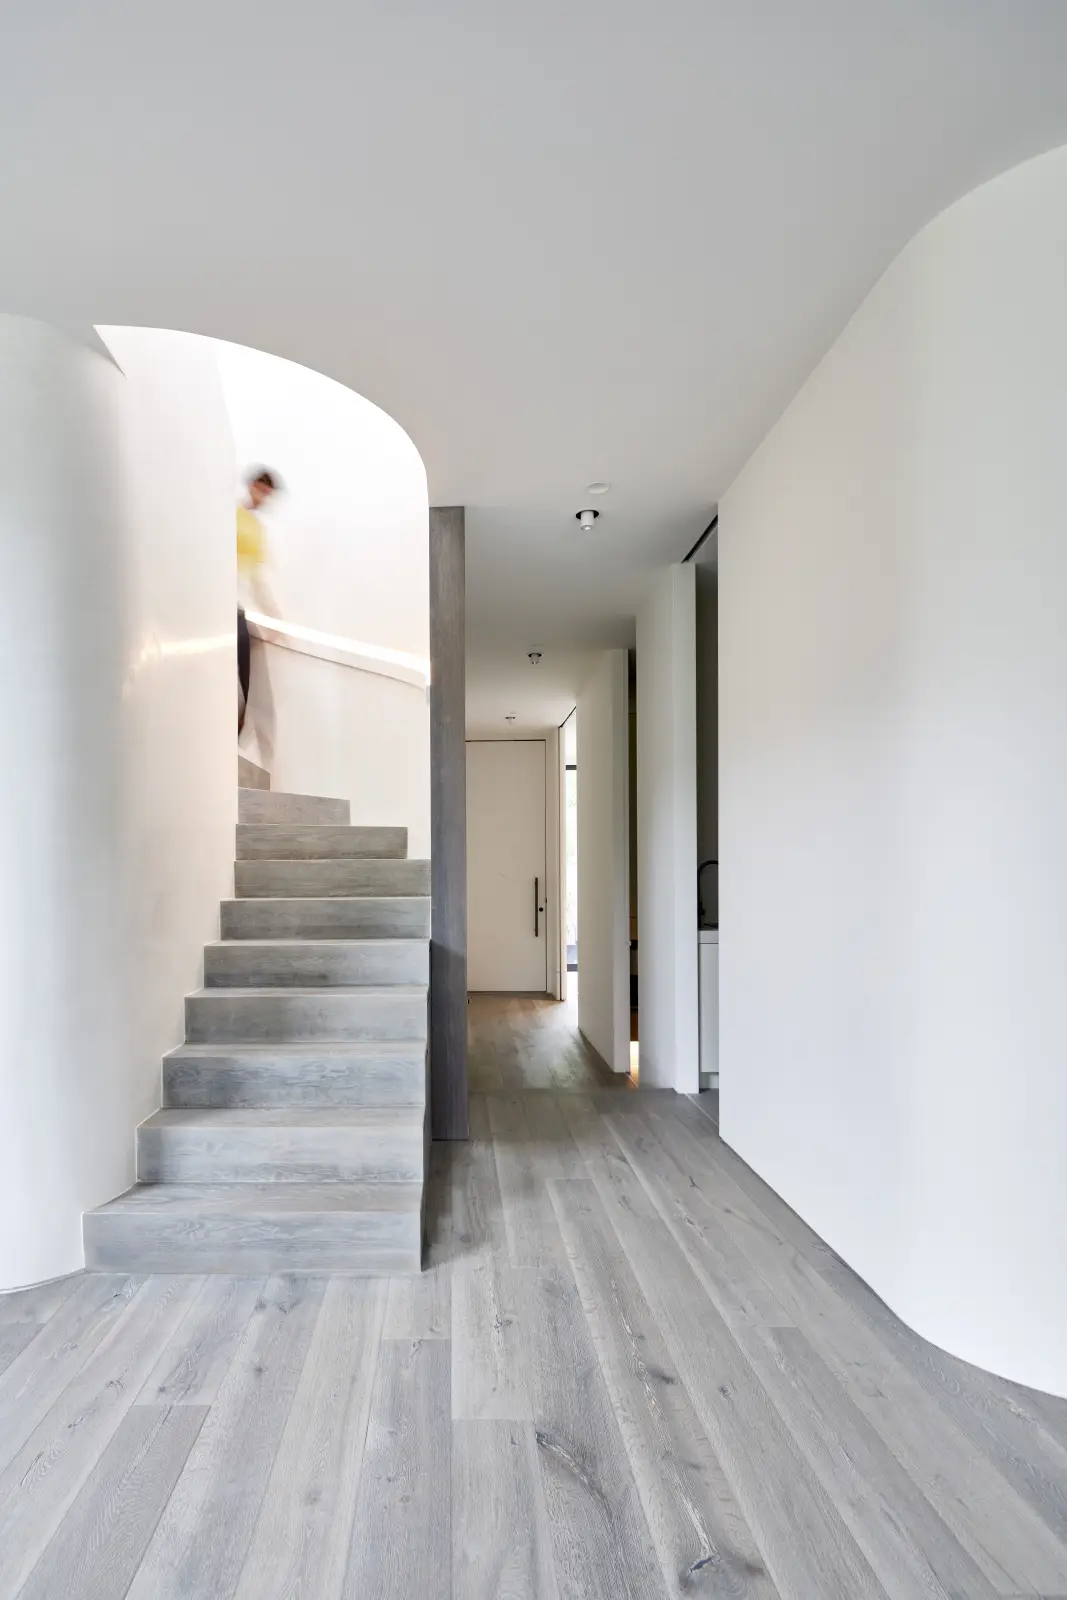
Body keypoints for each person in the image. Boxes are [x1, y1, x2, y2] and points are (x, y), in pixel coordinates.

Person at [236, 468, 280, 736]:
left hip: (236, 608)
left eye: (268, 495)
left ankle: (235, 732)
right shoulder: (230, 515)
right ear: (252, 486)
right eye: (262, 491)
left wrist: (275, 617)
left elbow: (258, 580)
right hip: (218, 607)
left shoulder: (256, 529)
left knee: (246, 679)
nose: (264, 498)